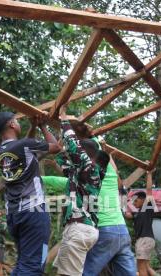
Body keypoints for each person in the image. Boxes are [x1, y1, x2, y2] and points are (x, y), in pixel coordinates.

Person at [0, 112, 61, 275]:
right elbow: (56, 147)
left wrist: (33, 126)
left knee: (24, 262)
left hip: (14, 214)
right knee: (33, 266)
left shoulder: (0, 152)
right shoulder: (24, 145)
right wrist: (43, 126)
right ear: (12, 125)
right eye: (17, 121)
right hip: (33, 212)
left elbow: (27, 149)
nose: (19, 123)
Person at [53, 106, 108, 276]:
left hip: (79, 228)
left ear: (87, 155)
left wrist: (64, 119)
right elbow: (62, 160)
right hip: (81, 228)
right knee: (63, 273)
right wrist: (60, 146)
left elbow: (74, 148)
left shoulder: (90, 168)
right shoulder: (83, 174)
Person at [82, 136, 137, 276]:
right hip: (122, 231)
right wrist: (103, 147)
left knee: (87, 272)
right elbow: (115, 169)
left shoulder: (91, 176)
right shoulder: (112, 177)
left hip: (105, 230)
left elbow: (65, 180)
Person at [125, 173, 156, 276]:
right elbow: (127, 214)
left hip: (144, 239)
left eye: (136, 200)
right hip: (146, 240)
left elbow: (149, 189)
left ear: (143, 200)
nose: (134, 203)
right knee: (147, 267)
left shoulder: (148, 207)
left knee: (141, 268)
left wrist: (149, 173)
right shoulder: (138, 213)